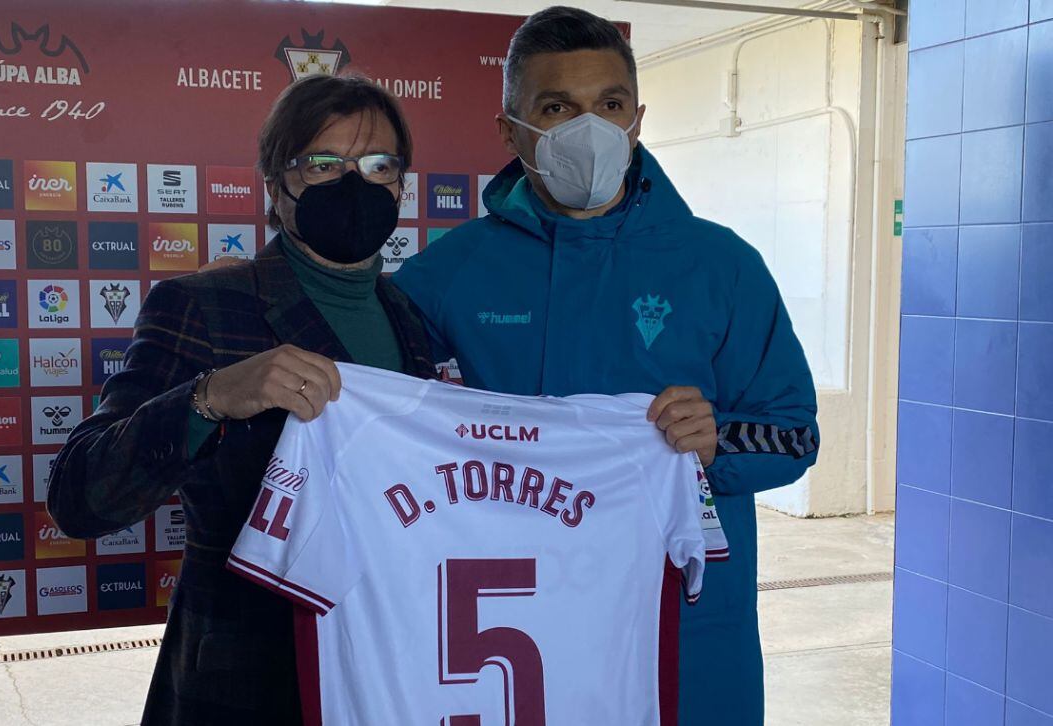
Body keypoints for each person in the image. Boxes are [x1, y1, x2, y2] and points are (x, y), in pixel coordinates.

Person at [392, 7, 820, 725]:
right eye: (556, 108)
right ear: (510, 128)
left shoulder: (720, 267)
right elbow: (374, 414)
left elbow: (794, 436)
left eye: (609, 105)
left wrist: (716, 441)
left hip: (686, 625)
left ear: (638, 119)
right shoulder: (450, 276)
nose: (587, 129)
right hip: (513, 623)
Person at [47, 74, 436, 726]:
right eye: (322, 164)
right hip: (247, 681)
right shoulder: (201, 305)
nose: (353, 184)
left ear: (401, 184)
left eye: (377, 165)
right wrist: (211, 397)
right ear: (276, 187)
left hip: (386, 669)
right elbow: (80, 498)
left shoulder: (410, 316)